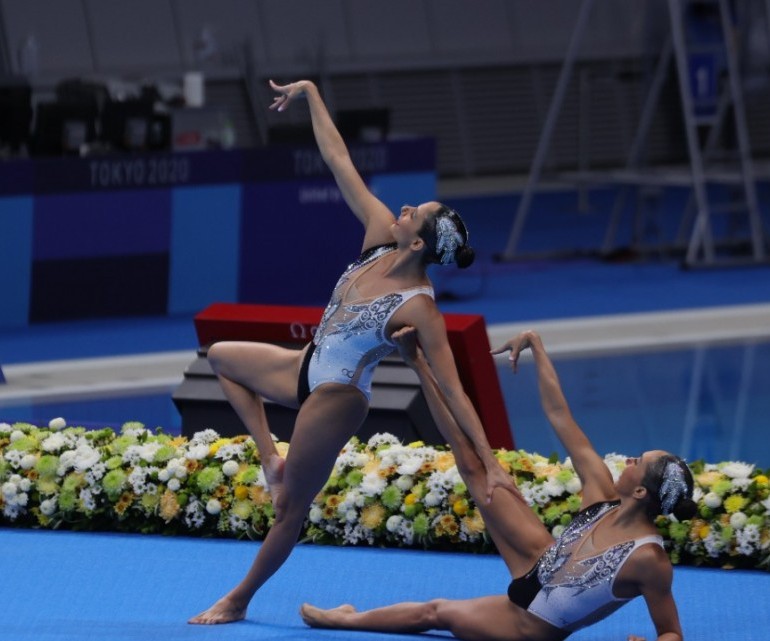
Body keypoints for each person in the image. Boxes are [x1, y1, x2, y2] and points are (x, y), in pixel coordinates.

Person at [189, 79, 520, 625]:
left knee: (290, 508)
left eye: (415, 213)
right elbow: (338, 158)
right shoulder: (379, 237)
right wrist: (311, 93)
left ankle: (238, 599)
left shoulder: (419, 307)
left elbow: (455, 391)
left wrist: (490, 462)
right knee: (221, 356)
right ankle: (271, 458)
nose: (405, 207)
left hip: (339, 395)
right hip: (304, 364)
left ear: (419, 243)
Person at [299, 328, 698, 641]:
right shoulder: (603, 493)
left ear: (641, 491)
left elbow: (671, 631)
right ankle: (415, 361)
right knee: (474, 464)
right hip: (537, 559)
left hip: (527, 622)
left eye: (638, 462)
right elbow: (560, 415)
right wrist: (537, 347)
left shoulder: (649, 560)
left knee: (435, 612)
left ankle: (345, 620)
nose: (629, 459)